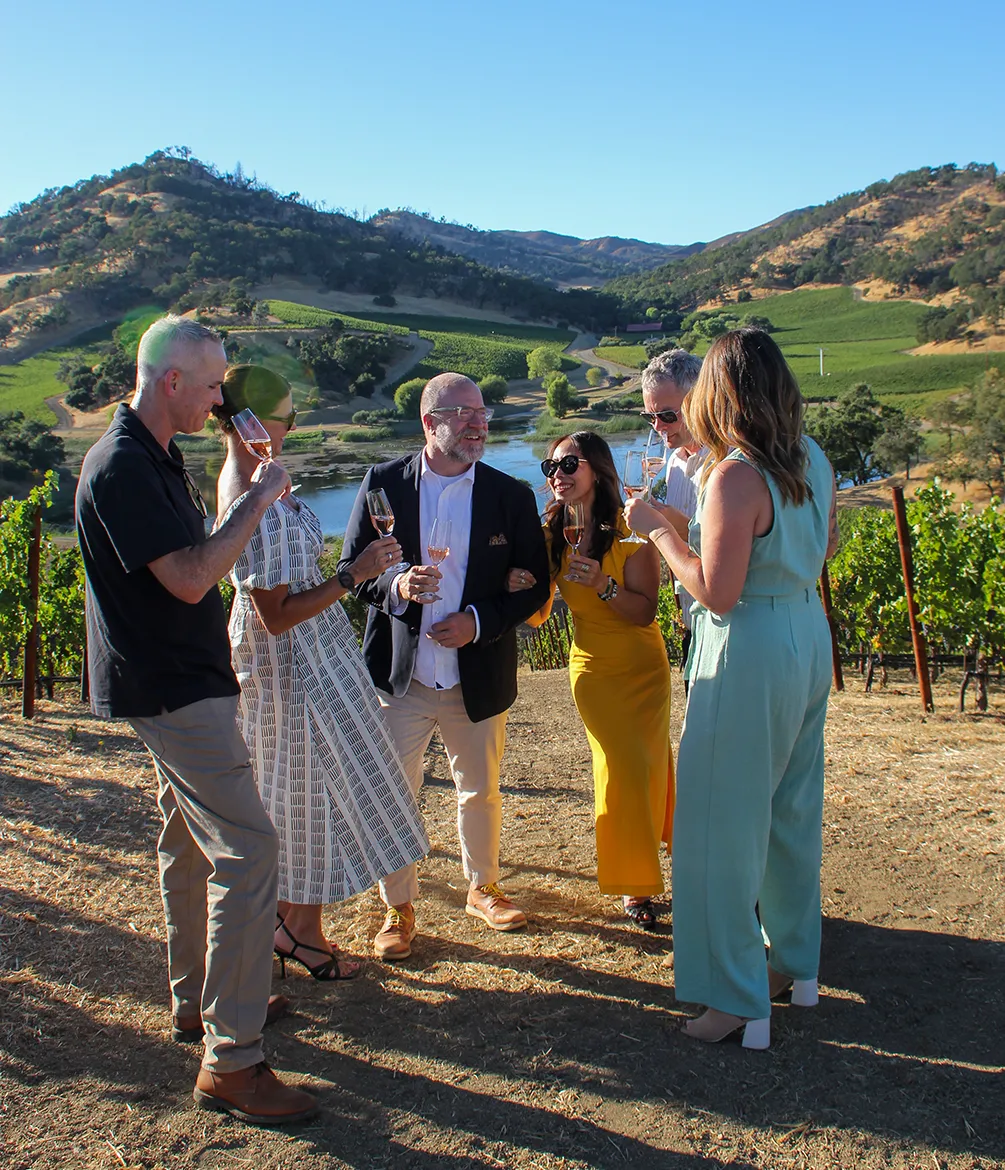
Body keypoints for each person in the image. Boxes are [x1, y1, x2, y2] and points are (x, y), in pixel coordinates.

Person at [75, 316, 317, 1123]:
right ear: (171, 380)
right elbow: (188, 578)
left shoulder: (153, 452)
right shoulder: (120, 466)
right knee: (248, 851)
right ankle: (233, 1062)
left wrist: (243, 471)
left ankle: (200, 1004)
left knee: (187, 840)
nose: (222, 401)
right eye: (213, 385)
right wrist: (255, 497)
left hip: (173, 678)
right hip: (175, 687)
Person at [624, 327, 840, 1051]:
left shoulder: (734, 475)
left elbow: (716, 594)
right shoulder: (811, 457)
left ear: (717, 393)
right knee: (789, 809)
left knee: (717, 828)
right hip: (806, 634)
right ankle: (794, 968)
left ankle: (733, 998)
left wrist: (656, 532)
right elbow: (823, 545)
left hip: (746, 647)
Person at [214, 365, 429, 982]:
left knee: (303, 794)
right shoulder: (253, 493)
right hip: (293, 668)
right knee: (307, 796)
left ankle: (291, 923)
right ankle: (298, 932)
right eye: (287, 417)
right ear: (254, 421)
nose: (293, 427)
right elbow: (276, 614)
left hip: (302, 662)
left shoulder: (252, 479)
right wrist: (352, 573)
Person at [340, 372, 550, 960]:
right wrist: (398, 583)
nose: (480, 424)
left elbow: (536, 587)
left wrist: (479, 621)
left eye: (483, 413)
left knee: (478, 789)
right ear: (430, 423)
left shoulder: (513, 496)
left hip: (476, 672)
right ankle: (397, 906)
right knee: (393, 792)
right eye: (465, 414)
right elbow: (355, 572)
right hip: (400, 673)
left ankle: (482, 886)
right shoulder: (382, 484)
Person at [507, 431, 672, 929]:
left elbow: (644, 613)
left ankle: (666, 849)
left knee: (647, 765)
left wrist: (603, 586)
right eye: (551, 467)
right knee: (621, 770)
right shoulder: (549, 534)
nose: (557, 474)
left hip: (643, 669)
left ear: (597, 470)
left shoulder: (629, 531)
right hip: (593, 671)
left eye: (569, 464)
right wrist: (521, 588)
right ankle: (634, 884)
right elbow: (537, 615)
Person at [640, 348, 706, 687]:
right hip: (691, 621)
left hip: (724, 624)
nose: (658, 428)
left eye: (667, 415)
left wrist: (666, 525)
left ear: (701, 400)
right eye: (650, 418)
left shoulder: (726, 464)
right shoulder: (676, 463)